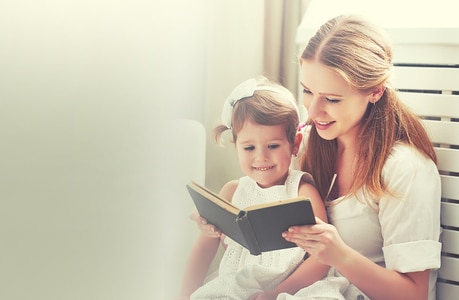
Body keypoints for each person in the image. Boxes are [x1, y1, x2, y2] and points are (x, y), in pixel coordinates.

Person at [278, 14, 444, 300]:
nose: (313, 111)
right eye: (307, 91)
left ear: (375, 91)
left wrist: (340, 255)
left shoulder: (405, 169)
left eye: (332, 99)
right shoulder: (307, 146)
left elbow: (414, 295)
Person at [178, 76, 331, 300]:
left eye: (273, 145)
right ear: (236, 146)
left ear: (295, 144)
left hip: (292, 288)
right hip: (237, 287)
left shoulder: (301, 191)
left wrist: (278, 292)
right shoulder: (231, 192)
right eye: (249, 147)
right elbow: (203, 250)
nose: (261, 157)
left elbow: (323, 256)